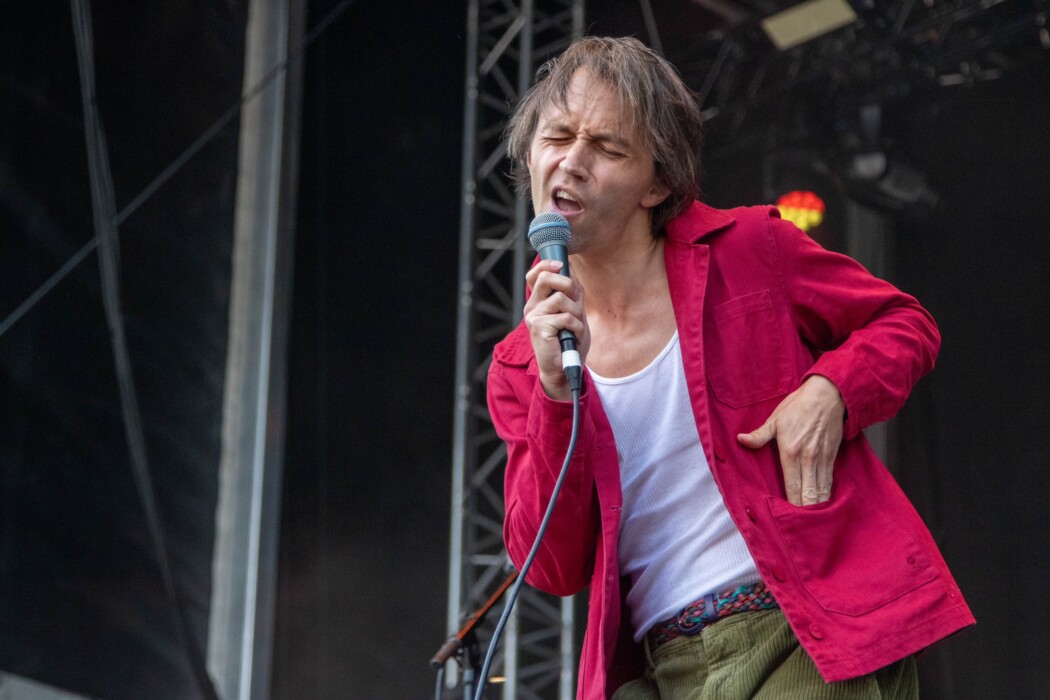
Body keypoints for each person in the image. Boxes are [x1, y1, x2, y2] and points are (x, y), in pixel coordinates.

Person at [486, 36, 974, 699]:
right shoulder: (520, 365)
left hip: (803, 631)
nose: (571, 162)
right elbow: (551, 566)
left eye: (607, 147)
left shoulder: (749, 247)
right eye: (557, 137)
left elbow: (904, 323)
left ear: (658, 183)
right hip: (663, 667)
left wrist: (831, 389)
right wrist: (552, 392)